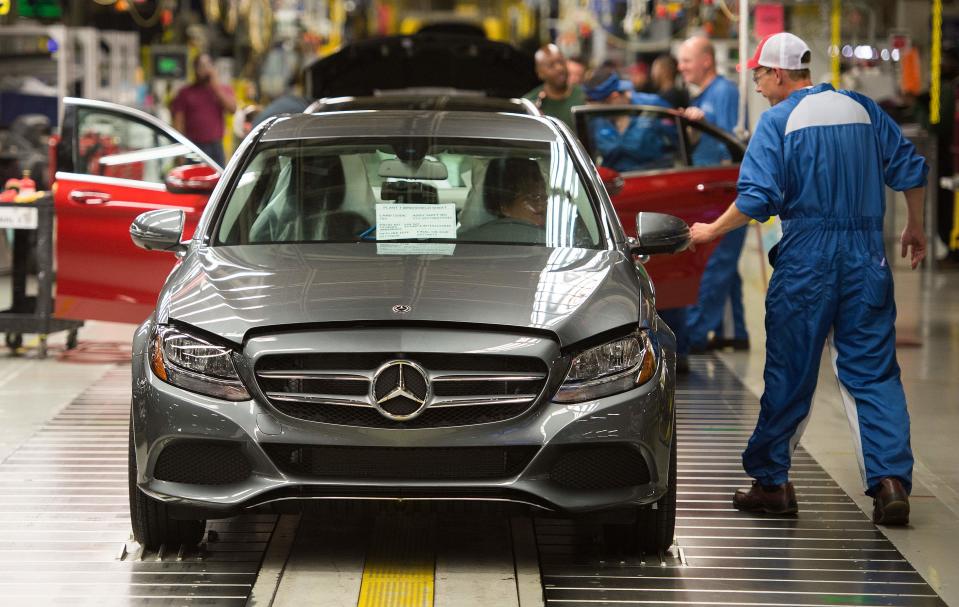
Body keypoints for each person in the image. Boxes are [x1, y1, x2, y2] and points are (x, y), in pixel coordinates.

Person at [689, 32, 928, 526]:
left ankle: (772, 485)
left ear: (778, 73)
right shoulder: (863, 109)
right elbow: (910, 170)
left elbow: (755, 199)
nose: (757, 87)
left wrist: (711, 229)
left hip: (807, 260)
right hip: (867, 257)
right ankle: (889, 484)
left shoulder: (777, 123)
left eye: (759, 76)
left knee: (791, 371)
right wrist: (916, 225)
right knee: (873, 372)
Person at [677, 35, 749, 354]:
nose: (681, 67)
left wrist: (705, 122)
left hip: (721, 190)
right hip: (707, 188)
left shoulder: (724, 92)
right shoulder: (704, 95)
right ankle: (735, 330)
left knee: (716, 263)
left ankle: (692, 336)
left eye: (687, 60)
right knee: (726, 264)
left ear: (706, 60)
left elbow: (731, 142)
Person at [171, 54, 237, 167]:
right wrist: (179, 152)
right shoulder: (185, 93)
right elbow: (178, 123)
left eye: (207, 65)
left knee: (218, 182)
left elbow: (232, 109)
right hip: (193, 147)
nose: (205, 69)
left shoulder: (222, 90)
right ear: (195, 70)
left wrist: (215, 87)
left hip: (216, 147)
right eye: (201, 66)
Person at [524, 44, 586, 128]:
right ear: (540, 73)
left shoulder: (584, 97)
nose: (559, 68)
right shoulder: (530, 104)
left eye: (561, 62)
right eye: (551, 65)